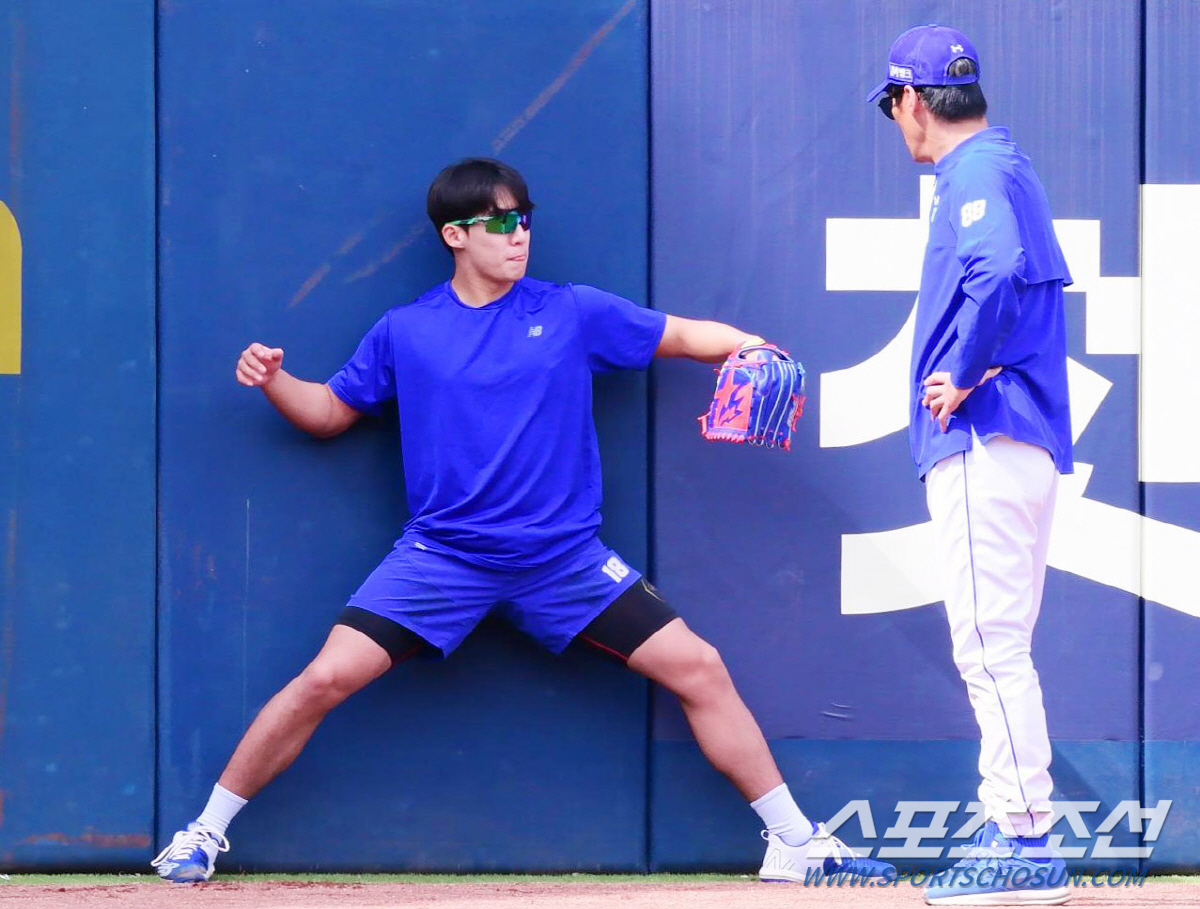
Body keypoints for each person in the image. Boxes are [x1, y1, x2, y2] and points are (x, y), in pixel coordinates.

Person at [151, 158, 891, 885]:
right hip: (442, 558)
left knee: (699, 666)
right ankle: (205, 831)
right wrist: (276, 379)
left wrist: (751, 345)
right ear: (455, 235)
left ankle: (796, 842)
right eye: (500, 222)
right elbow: (329, 413)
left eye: (524, 219)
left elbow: (686, 335)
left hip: (563, 561)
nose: (518, 234)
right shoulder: (405, 330)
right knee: (322, 678)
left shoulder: (571, 311)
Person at [867, 25, 1073, 905]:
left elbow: (995, 268)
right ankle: (1018, 826)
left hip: (986, 437)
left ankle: (1023, 837)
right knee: (1003, 646)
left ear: (912, 101)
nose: (895, 121)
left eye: (892, 104)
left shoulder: (979, 168)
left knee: (988, 647)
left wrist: (964, 366)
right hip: (1021, 440)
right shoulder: (1001, 163)